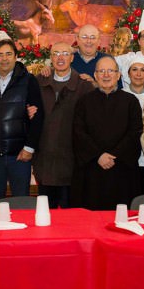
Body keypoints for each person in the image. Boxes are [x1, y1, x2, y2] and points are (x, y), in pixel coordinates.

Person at [0, 39, 45, 204]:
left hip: (19, 155)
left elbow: (38, 116)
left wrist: (29, 147)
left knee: (20, 203)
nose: (4, 59)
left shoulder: (28, 80)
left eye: (8, 54)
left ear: (15, 56)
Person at [72, 56, 142, 210]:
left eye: (110, 71)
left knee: (121, 216)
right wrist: (98, 155)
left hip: (122, 168)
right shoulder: (84, 101)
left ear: (118, 75)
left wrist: (114, 155)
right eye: (101, 71)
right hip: (92, 169)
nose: (106, 75)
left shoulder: (130, 101)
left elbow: (135, 132)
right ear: (95, 75)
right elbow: (79, 132)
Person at [34, 41, 94, 208]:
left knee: (70, 214)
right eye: (56, 54)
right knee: (45, 213)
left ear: (72, 58)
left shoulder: (84, 85)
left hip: (71, 161)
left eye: (65, 54)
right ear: (51, 58)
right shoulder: (39, 82)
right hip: (45, 159)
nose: (60, 58)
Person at [122, 53, 144, 195]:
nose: (138, 74)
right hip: (125, 158)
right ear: (128, 73)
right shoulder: (120, 95)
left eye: (143, 70)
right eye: (134, 69)